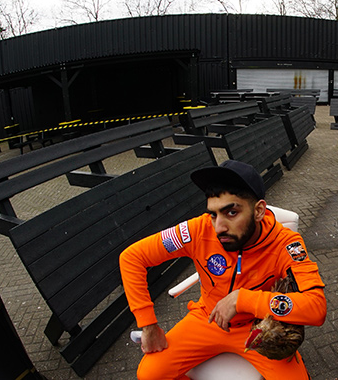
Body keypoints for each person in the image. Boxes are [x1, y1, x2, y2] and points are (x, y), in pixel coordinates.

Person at [120, 159, 326, 379]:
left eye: (231, 213)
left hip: (258, 328)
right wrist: (149, 325)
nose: (219, 227)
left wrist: (242, 300)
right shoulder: (197, 230)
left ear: (258, 211)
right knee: (149, 374)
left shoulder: (286, 243)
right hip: (206, 319)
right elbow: (132, 257)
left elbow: (316, 307)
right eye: (213, 214)